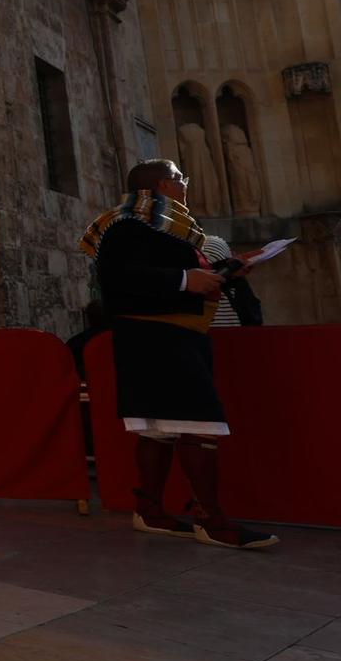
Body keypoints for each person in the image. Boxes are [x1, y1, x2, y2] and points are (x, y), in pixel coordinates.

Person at [80, 159, 278, 550]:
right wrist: (187, 279)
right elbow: (118, 279)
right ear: (164, 186)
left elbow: (160, 274)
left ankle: (150, 511)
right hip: (156, 337)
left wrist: (227, 270)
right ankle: (211, 519)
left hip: (173, 335)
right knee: (199, 424)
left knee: (161, 428)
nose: (184, 184)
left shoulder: (168, 227)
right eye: (179, 178)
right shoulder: (127, 224)